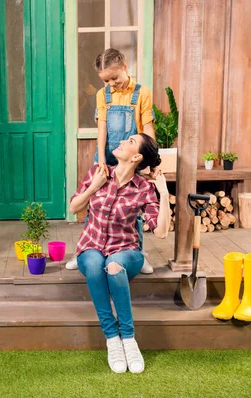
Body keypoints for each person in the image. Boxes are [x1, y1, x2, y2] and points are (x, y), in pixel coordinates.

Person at [69, 133, 170, 374]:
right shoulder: (99, 171)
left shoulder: (144, 188)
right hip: (91, 246)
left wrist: (164, 193)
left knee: (113, 266)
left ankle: (129, 339)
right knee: (94, 264)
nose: (123, 141)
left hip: (126, 252)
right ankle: (112, 339)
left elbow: (162, 232)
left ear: (136, 157)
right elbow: (74, 207)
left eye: (131, 141)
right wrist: (95, 186)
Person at [66, 48, 157, 273]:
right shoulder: (103, 95)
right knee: (96, 203)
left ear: (125, 67)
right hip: (108, 156)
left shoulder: (142, 93)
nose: (111, 84)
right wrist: (101, 160)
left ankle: (138, 252)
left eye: (114, 77)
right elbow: (102, 128)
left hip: (131, 158)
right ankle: (85, 251)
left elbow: (147, 129)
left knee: (131, 206)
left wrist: (151, 161)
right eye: (106, 80)